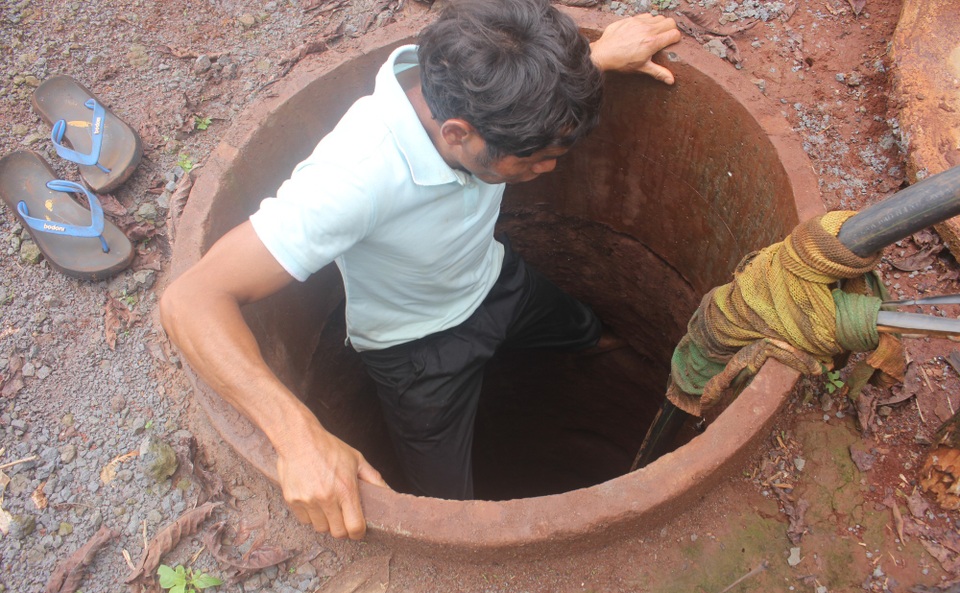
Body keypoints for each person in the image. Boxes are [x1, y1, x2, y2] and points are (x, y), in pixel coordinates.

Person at [160, 0, 681, 540]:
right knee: (447, 512)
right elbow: (190, 300)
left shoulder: (483, 90)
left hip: (497, 280)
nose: (546, 169)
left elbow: (524, 79)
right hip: (416, 353)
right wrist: (296, 436)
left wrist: (596, 58)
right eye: (529, 160)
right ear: (457, 133)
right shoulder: (353, 179)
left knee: (592, 336)